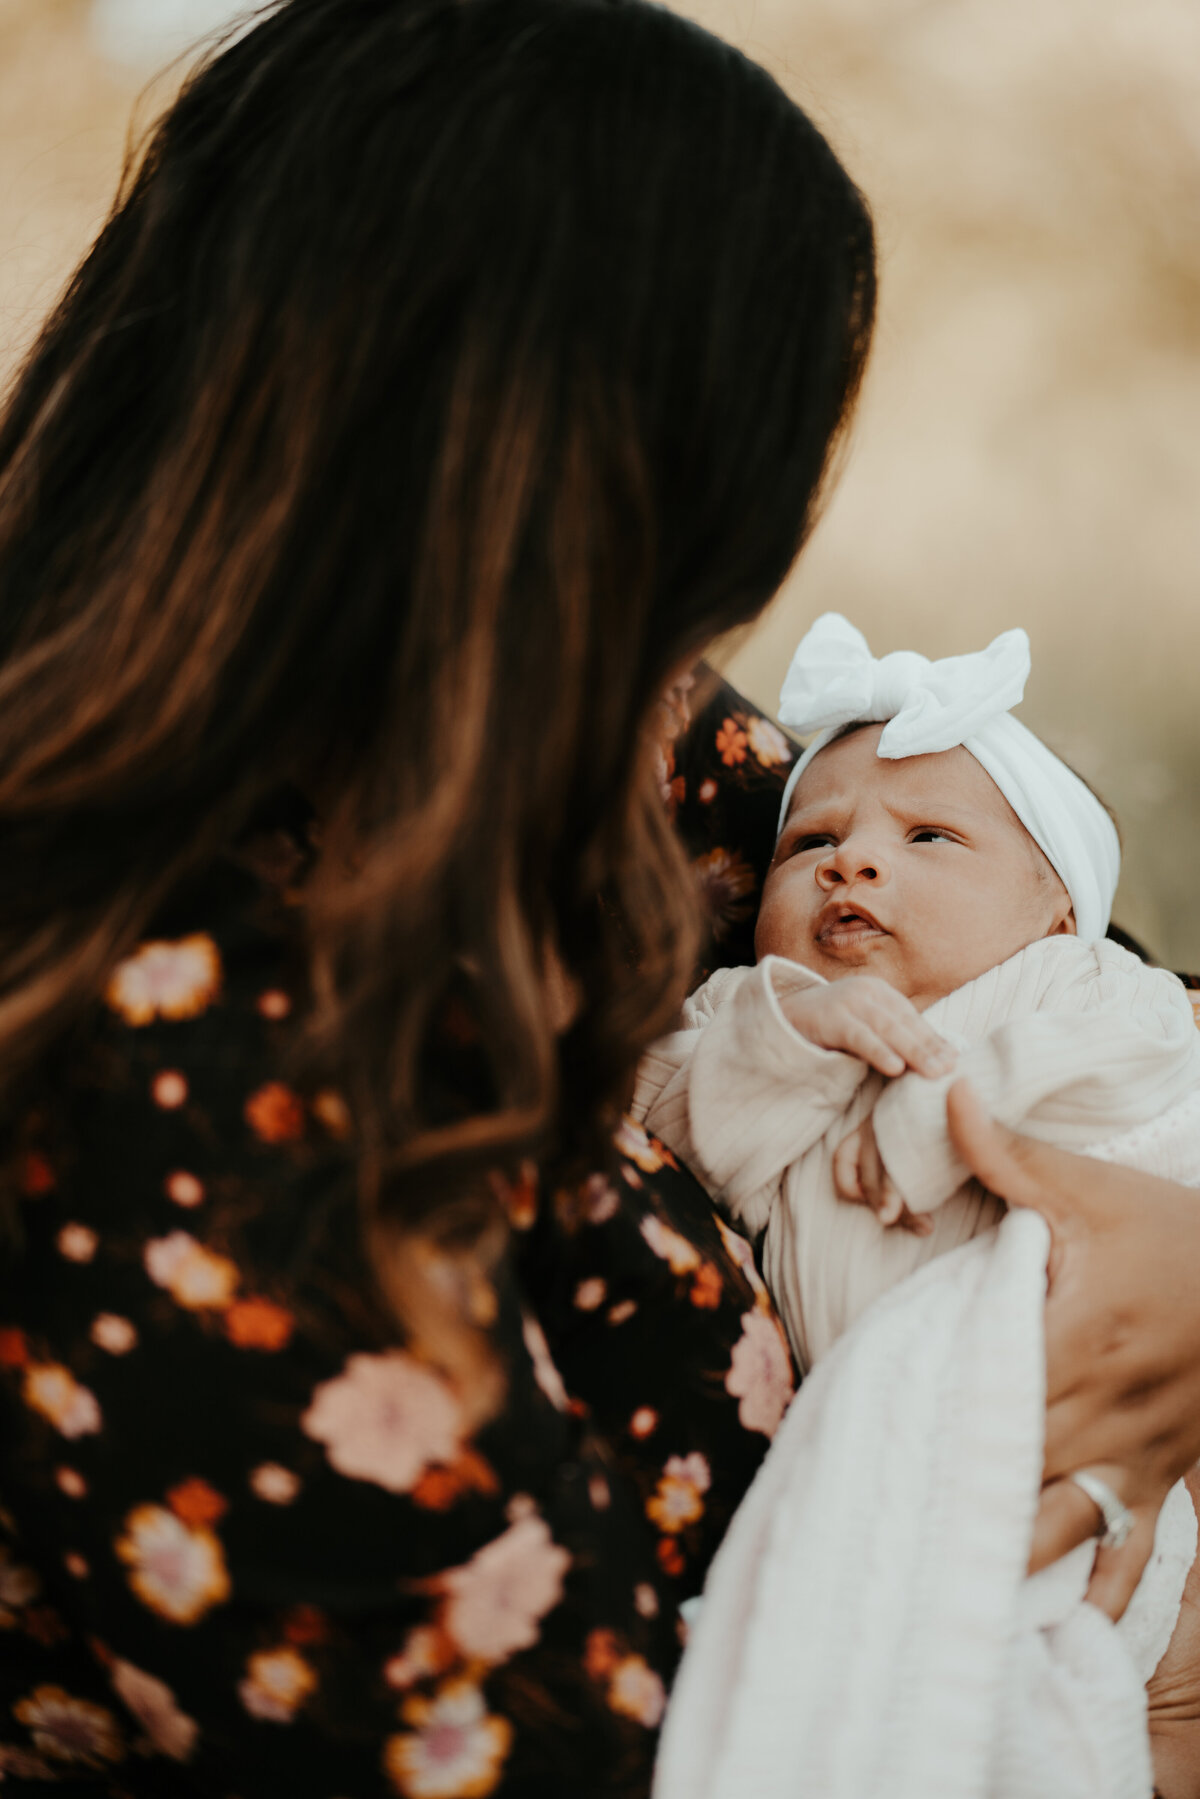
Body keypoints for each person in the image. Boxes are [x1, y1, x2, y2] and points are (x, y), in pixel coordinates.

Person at [0, 1, 1195, 1795]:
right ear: (546, 494)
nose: (703, 648)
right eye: (696, 538)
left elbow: (1061, 952)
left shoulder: (580, 745)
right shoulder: (150, 1075)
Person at [638, 616, 1200, 1795]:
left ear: (1057, 907)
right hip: (889, 1454)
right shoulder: (753, 1011)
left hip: (1078, 1395)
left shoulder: (1081, 985)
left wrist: (940, 1103)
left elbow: (1146, 1084)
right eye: (814, 840)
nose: (851, 863)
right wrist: (792, 1031)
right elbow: (672, 1100)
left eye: (929, 835)